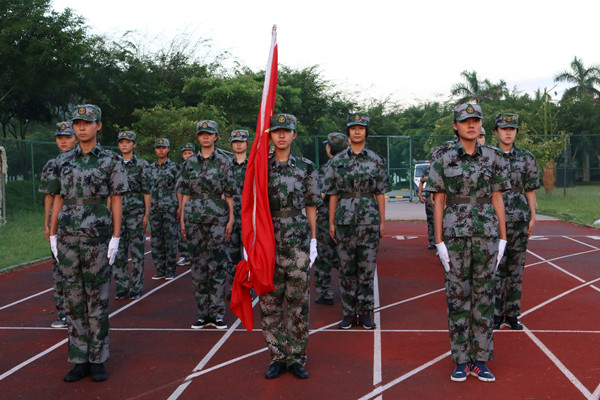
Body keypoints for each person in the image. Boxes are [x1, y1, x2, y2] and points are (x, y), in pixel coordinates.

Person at [425, 103, 510, 383]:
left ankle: (481, 360)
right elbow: (438, 199)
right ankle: (461, 360)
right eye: (465, 121)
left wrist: (503, 236)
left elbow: (498, 197)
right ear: (455, 125)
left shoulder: (494, 157)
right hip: (455, 237)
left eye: (475, 120)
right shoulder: (444, 157)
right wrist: (438, 241)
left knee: (485, 297)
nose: (471, 125)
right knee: (457, 297)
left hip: (486, 235)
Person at [48, 104, 128, 382]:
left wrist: (116, 237)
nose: (81, 128)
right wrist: (53, 234)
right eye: (78, 123)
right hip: (68, 236)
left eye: (87, 123)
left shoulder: (110, 160)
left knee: (97, 299)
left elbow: (116, 199)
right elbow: (58, 197)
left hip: (97, 236)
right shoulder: (62, 160)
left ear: (99, 126)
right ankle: (78, 359)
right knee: (73, 300)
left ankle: (98, 359)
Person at [261, 113, 320, 380]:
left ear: (294, 135)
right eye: (276, 131)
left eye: (287, 131)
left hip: (297, 241)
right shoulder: (260, 167)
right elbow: (252, 208)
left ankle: (296, 356)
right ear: (270, 135)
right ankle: (276, 356)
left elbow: (311, 205)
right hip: (267, 241)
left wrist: (314, 239)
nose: (281, 135)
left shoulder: (306, 167)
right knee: (270, 303)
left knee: (298, 303)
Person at [323, 113, 389, 330]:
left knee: (367, 268)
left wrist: (382, 220)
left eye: (361, 128)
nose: (357, 131)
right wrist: (331, 222)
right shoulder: (338, 161)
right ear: (349, 132)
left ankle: (366, 312)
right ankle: (349, 313)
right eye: (353, 128)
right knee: (346, 269)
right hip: (344, 219)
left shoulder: (376, 160)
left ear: (366, 131)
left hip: (369, 220)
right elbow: (332, 194)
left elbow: (380, 192)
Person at [178, 120, 235, 330]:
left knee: (217, 265)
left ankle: (218, 313)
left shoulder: (224, 162)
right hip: (194, 218)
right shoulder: (189, 163)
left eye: (209, 134)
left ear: (216, 136)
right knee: (199, 267)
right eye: (202, 134)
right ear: (198, 137)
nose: (205, 137)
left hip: (218, 218)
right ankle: (203, 313)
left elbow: (229, 192)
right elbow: (184, 192)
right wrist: (183, 218)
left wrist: (231, 218)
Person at [493, 113, 539, 330]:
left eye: (512, 128)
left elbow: (530, 189)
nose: (508, 132)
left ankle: (511, 314)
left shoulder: (526, 157)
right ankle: (494, 314)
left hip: (519, 218)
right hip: (493, 219)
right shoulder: (489, 156)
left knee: (516, 268)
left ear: (516, 132)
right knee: (495, 268)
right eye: (503, 128)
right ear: (496, 132)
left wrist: (533, 215)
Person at [38, 121, 77, 328]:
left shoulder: (81, 161)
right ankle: (63, 312)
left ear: (76, 138)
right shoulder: (51, 164)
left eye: (68, 137)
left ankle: (79, 311)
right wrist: (46, 224)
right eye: (60, 137)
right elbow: (49, 197)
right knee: (59, 268)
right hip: (58, 222)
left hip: (79, 220)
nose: (64, 141)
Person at [111, 131, 150, 300]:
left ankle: (135, 287)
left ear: (134, 144)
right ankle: (121, 286)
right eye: (122, 142)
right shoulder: (113, 164)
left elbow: (147, 191)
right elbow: (110, 192)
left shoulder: (141, 165)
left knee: (136, 253)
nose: (124, 145)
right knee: (118, 251)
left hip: (136, 213)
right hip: (118, 214)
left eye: (128, 142)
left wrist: (146, 214)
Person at [313, 132, 347, 305]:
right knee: (346, 255)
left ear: (329, 147)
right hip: (347, 216)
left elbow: (322, 194)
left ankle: (325, 292)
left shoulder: (328, 168)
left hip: (326, 218)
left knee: (323, 256)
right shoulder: (350, 165)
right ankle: (348, 290)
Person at [146, 138, 181, 280]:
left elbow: (179, 189)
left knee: (170, 239)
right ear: (155, 150)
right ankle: (159, 269)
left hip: (170, 208)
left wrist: (179, 208)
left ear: (168, 149)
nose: (161, 150)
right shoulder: (150, 168)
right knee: (156, 240)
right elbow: (147, 189)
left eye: (164, 147)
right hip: (155, 208)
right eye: (158, 147)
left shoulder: (175, 167)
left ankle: (170, 270)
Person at [226, 129, 249, 298]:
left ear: (247, 143)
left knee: (250, 255)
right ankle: (235, 288)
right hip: (231, 217)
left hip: (249, 216)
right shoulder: (225, 165)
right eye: (235, 142)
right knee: (231, 254)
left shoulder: (254, 164)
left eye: (241, 141)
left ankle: (248, 285)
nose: (238, 144)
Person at [176, 142, 196, 267]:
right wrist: (180, 206)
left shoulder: (198, 165)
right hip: (185, 201)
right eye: (185, 153)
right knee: (182, 230)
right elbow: (179, 189)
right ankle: (185, 255)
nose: (187, 155)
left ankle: (194, 255)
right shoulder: (181, 168)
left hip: (197, 202)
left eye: (190, 153)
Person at [417, 159, 436, 250]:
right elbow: (422, 181)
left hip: (443, 196)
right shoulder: (429, 168)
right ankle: (432, 241)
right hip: (429, 197)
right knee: (431, 219)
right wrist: (419, 195)